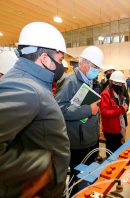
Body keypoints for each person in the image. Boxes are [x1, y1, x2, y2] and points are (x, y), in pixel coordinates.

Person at [0, 22, 70, 197]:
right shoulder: (25, 87)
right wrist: (40, 167)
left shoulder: (32, 82)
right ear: (45, 59)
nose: (62, 66)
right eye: (60, 60)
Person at [55, 46, 104, 194]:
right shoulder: (69, 81)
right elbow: (59, 109)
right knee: (77, 181)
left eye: (98, 68)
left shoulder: (90, 81)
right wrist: (89, 110)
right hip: (77, 143)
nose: (97, 71)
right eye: (95, 67)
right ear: (83, 63)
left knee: (87, 177)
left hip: (90, 140)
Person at [100, 71, 128, 152]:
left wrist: (123, 109)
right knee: (111, 151)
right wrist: (121, 110)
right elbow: (104, 113)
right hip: (110, 130)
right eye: (116, 83)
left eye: (120, 83)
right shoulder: (105, 94)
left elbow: (119, 110)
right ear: (111, 82)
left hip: (118, 127)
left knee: (118, 149)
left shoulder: (119, 93)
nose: (118, 85)